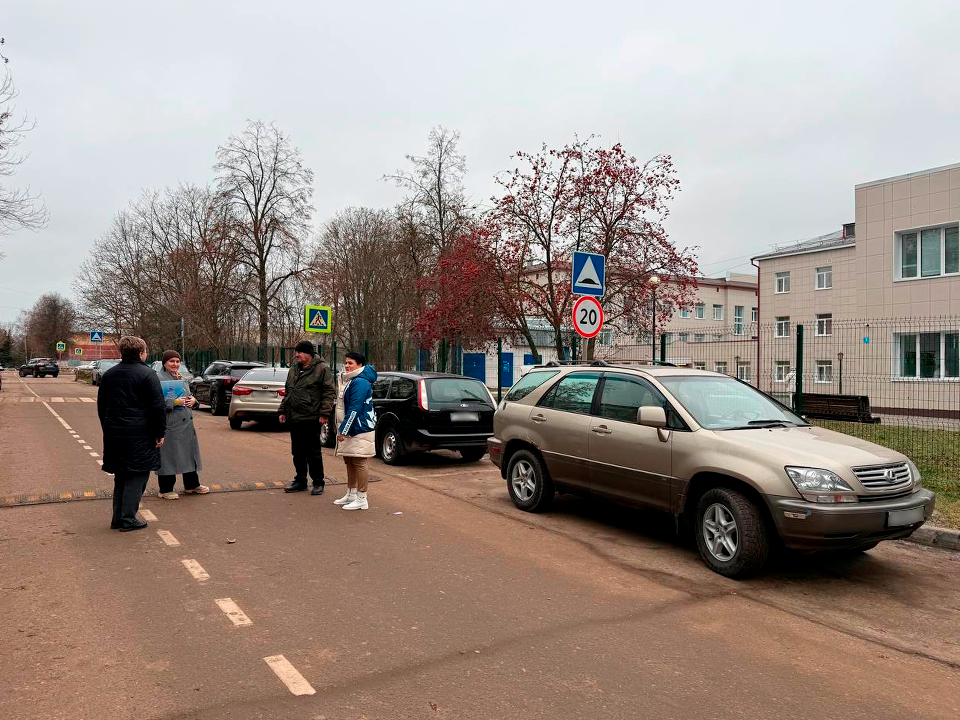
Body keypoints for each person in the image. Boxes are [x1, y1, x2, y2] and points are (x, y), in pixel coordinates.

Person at [97, 336, 166, 532]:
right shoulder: (148, 374)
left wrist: (108, 427)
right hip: (141, 434)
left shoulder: (109, 374)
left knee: (121, 475)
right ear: (141, 353)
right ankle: (128, 518)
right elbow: (157, 407)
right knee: (138, 475)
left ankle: (118, 517)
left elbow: (102, 406)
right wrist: (160, 432)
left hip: (115, 433)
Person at [278, 340, 336, 495]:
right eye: (296, 352)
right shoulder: (293, 370)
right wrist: (282, 411)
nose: (297, 354)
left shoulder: (322, 369)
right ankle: (300, 480)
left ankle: (318, 482)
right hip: (294, 417)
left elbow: (329, 393)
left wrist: (324, 413)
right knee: (297, 451)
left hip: (312, 417)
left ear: (309, 354)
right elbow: (288, 392)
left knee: (313, 452)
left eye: (300, 352)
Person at [155, 350, 208, 499]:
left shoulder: (181, 377)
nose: (175, 364)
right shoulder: (158, 378)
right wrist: (173, 402)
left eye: (178, 361)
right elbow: (155, 402)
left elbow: (187, 396)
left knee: (189, 453)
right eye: (172, 361)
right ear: (165, 363)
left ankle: (192, 485)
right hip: (170, 424)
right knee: (168, 456)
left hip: (185, 424)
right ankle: (165, 489)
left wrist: (194, 400)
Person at [333, 352, 377, 511]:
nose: (346, 365)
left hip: (359, 428)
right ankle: (351, 493)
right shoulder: (351, 380)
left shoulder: (360, 382)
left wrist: (344, 429)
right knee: (350, 461)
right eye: (346, 362)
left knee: (359, 462)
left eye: (350, 363)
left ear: (359, 365)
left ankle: (362, 498)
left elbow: (355, 408)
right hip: (352, 428)